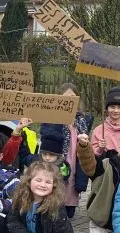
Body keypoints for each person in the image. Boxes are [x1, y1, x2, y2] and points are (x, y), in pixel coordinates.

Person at [38, 83, 92, 218]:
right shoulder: (52, 116)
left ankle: (68, 208)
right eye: (66, 97)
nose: (70, 101)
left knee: (69, 209)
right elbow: (44, 133)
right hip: (58, 160)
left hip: (75, 161)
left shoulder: (82, 119)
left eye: (73, 97)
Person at [91, 87, 120, 156]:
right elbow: (92, 156)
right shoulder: (99, 131)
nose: (116, 111)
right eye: (112, 107)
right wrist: (100, 149)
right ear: (107, 109)